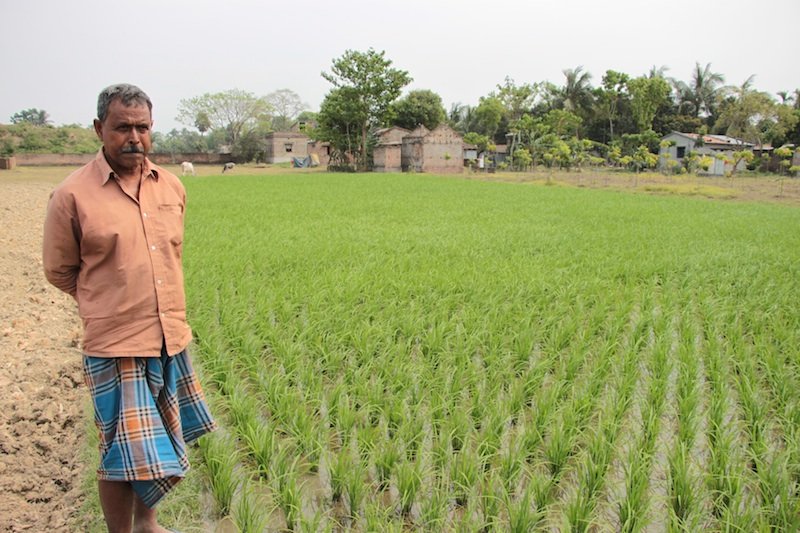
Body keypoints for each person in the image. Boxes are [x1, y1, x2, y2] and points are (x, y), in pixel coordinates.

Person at [43, 83, 216, 533]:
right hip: (114, 343)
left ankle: (148, 524)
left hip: (169, 336)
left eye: (142, 127)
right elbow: (59, 270)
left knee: (159, 441)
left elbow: (170, 256)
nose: (134, 137)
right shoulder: (73, 195)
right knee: (120, 453)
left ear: (152, 128)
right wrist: (106, 303)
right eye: (122, 127)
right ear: (100, 129)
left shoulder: (172, 187)